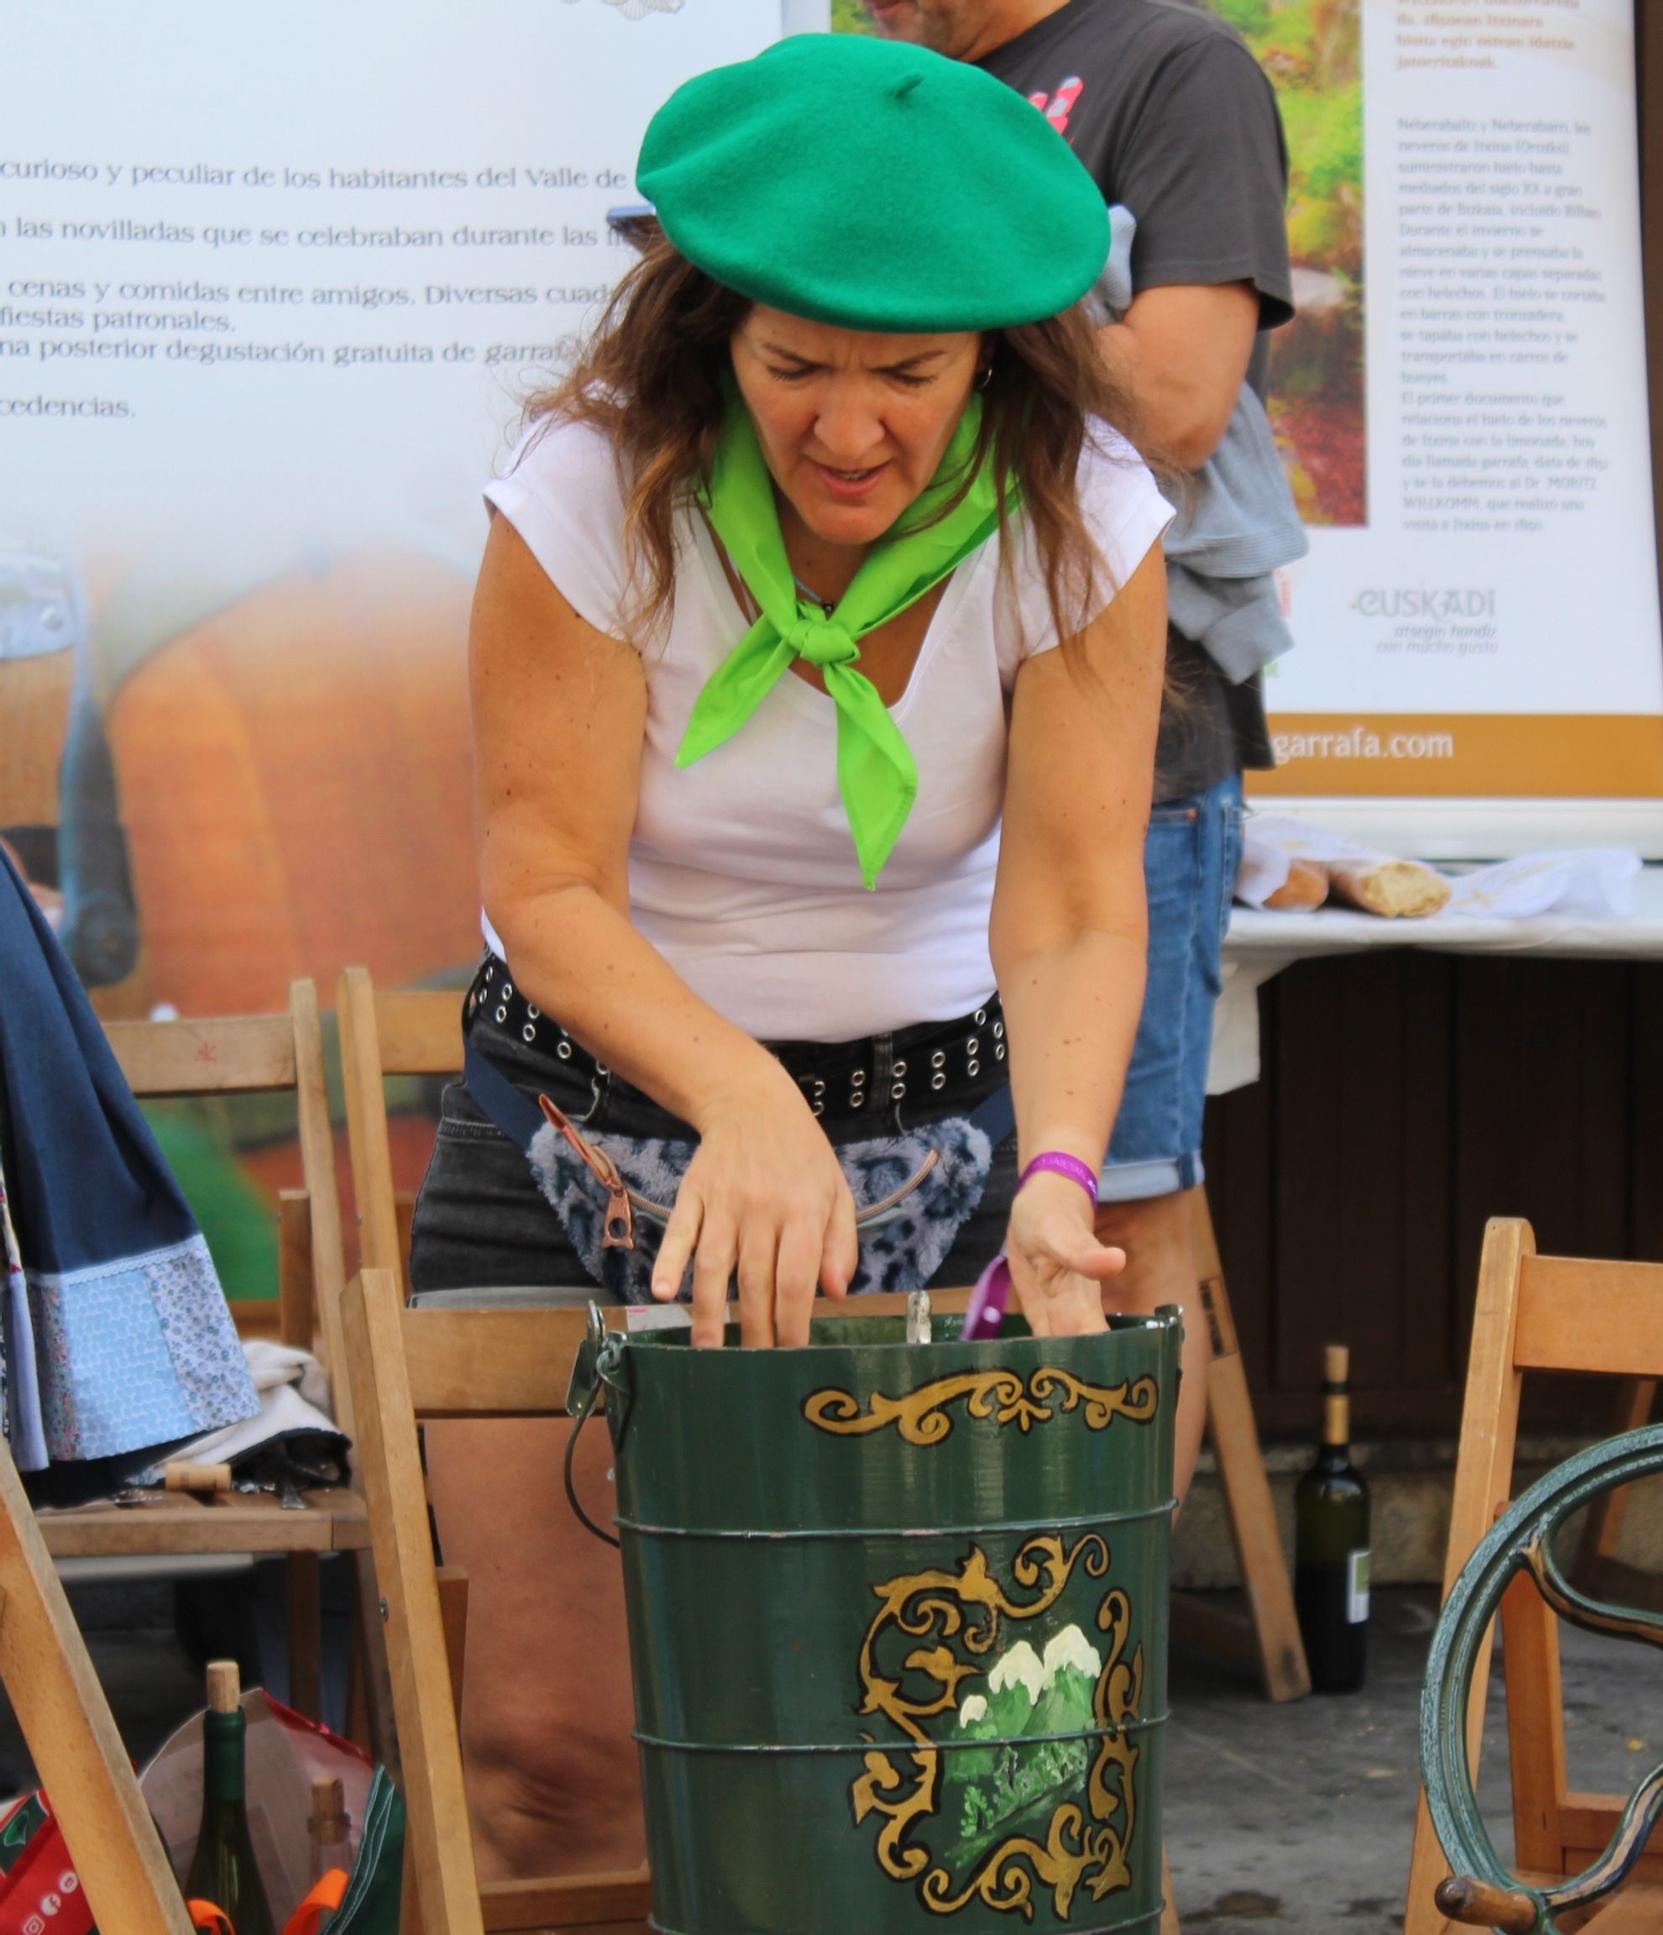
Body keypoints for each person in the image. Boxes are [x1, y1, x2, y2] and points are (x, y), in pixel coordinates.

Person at [405, 33, 1172, 1877]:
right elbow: (549, 878)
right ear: (710, 334)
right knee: (549, 1764)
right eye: (793, 367)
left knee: (943, 1773)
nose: (848, 428)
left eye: (907, 375)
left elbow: (1070, 900)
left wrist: (1062, 1173)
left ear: (998, 349)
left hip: (932, 1151)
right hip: (578, 1127)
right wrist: (741, 1096)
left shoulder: (1084, 516)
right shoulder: (594, 489)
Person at [867, 0, 1302, 1502]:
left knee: (1114, 1187)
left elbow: (1180, 400)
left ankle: (1098, 1628)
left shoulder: (1174, 68)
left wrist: (961, 301)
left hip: (1139, 740)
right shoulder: (900, 87)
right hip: (910, 745)